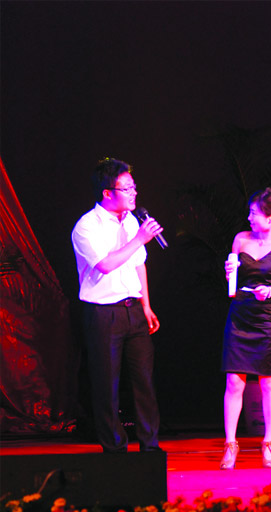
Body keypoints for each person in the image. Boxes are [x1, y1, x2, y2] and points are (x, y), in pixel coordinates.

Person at [71, 157, 163, 453]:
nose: (134, 193)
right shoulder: (87, 226)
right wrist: (139, 239)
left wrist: (146, 305)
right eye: (127, 189)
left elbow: (138, 265)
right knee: (106, 384)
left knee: (144, 382)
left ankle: (150, 448)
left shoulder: (131, 221)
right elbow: (106, 265)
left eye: (134, 187)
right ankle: (115, 451)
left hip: (133, 309)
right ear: (107, 193)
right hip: (103, 313)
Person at [219, 188, 271, 469]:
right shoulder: (241, 239)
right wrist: (230, 275)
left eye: (254, 213)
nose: (249, 218)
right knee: (234, 382)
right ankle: (230, 444)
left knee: (268, 383)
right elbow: (231, 286)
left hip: (267, 321)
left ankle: (268, 442)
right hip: (239, 316)